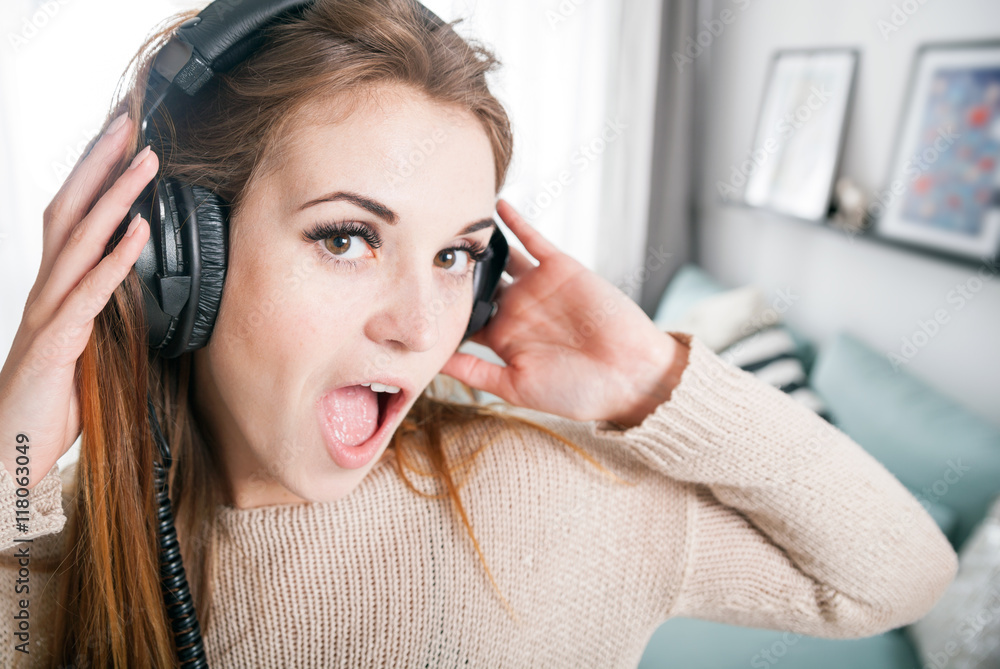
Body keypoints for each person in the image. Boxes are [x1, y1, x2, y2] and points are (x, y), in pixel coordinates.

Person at [0, 0, 958, 666]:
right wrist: (15, 447)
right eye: (347, 237)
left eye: (456, 255)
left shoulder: (557, 496)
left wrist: (654, 379)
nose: (419, 327)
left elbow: (902, 573)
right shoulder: (48, 547)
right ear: (177, 260)